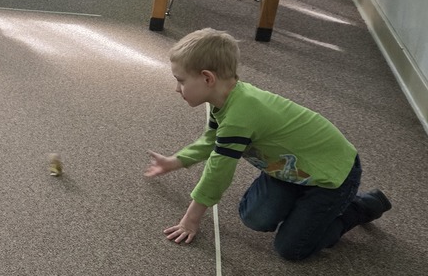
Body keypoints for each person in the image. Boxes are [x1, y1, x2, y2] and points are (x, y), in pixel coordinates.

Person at [145, 27, 391, 261]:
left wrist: (191, 219)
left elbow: (217, 173)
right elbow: (211, 139)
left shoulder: (240, 116)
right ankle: (304, 206)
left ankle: (359, 207)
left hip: (333, 175)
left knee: (291, 249)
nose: (177, 88)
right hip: (294, 168)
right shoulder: (224, 99)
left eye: (180, 80)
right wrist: (175, 161)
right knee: (254, 217)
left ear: (207, 78)